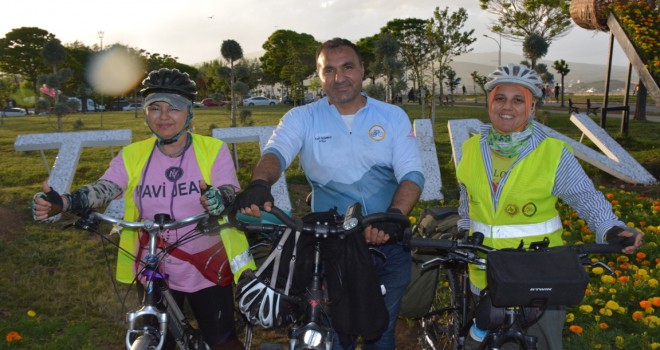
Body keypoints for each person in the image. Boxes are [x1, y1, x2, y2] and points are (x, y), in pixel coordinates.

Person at [31, 68, 254, 350]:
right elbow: (105, 187)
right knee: (160, 340)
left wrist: (218, 199)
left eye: (174, 108)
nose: (163, 117)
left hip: (205, 265)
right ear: (145, 113)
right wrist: (65, 202)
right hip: (154, 265)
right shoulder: (133, 155)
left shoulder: (214, 150)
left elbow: (229, 190)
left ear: (189, 113)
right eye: (154, 108)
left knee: (221, 339)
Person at [234, 38, 424, 349]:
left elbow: (412, 174)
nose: (339, 78)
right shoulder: (302, 117)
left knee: (381, 333)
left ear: (362, 70)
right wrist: (259, 184)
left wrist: (395, 216)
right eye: (329, 70)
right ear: (319, 77)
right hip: (330, 247)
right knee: (334, 337)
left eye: (348, 67)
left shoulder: (391, 116)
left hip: (387, 242)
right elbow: (275, 154)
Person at [456, 64, 644, 350]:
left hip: (539, 278)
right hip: (483, 274)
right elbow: (466, 203)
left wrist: (610, 228)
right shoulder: (471, 148)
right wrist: (463, 233)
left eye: (518, 100)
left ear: (531, 108)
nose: (508, 107)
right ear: (489, 103)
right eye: (500, 98)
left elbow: (586, 197)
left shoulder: (552, 152)